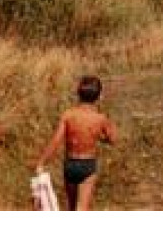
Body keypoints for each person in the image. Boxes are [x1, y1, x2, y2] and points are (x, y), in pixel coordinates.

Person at [35, 75, 118, 211]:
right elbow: (113, 139)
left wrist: (41, 162)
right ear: (99, 96)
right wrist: (101, 137)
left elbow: (56, 141)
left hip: (70, 164)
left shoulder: (68, 115)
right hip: (88, 164)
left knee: (72, 208)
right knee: (82, 209)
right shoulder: (100, 119)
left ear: (78, 94)